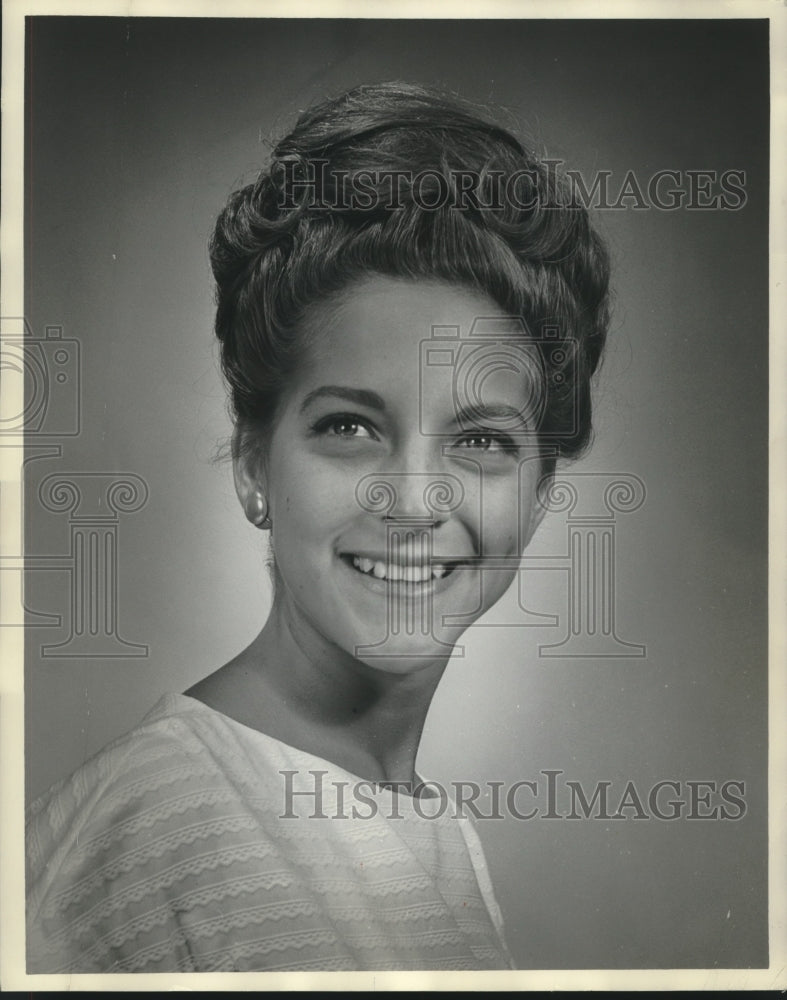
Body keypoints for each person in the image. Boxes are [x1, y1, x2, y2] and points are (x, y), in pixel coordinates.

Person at [25, 81, 610, 973]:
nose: (414, 501)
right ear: (255, 460)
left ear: (537, 492)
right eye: (350, 427)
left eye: (483, 440)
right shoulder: (147, 824)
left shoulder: (442, 839)